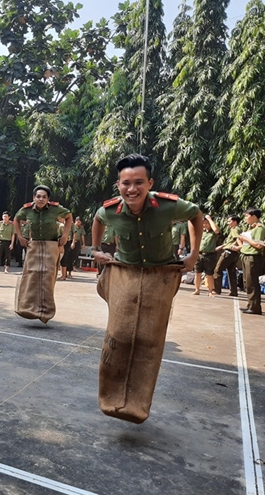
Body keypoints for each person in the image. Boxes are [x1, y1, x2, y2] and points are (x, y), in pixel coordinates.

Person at [91, 154, 203, 424]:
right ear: (118, 185)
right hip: (126, 275)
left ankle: (137, 406)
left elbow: (196, 214)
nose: (132, 189)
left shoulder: (168, 206)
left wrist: (194, 254)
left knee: (149, 341)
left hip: (159, 277)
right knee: (118, 335)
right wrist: (95, 249)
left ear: (150, 183)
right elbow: (97, 219)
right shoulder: (110, 210)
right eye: (126, 183)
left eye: (139, 182)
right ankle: (110, 399)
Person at [13, 186, 72, 323]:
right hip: (34, 245)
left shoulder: (55, 209)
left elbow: (69, 216)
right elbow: (16, 219)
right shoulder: (26, 210)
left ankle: (45, 311)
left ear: (48, 199)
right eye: (38, 196)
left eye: (44, 197)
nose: (41, 199)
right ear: (34, 197)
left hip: (51, 245)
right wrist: (20, 236)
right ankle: (27, 308)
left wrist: (65, 235)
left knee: (48, 277)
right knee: (31, 275)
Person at [238, 208, 265, 315]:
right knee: (247, 282)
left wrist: (245, 239)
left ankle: (255, 307)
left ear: (254, 216)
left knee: (252, 282)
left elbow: (259, 245)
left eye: (247, 216)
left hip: (253, 257)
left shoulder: (260, 228)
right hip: (246, 256)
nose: (245, 218)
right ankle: (250, 304)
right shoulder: (252, 227)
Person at [213, 215, 241, 297]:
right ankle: (233, 291)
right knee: (231, 272)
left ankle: (217, 290)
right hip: (234, 254)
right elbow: (231, 241)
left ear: (235, 222)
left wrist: (239, 246)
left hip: (229, 252)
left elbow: (237, 239)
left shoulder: (235, 229)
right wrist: (222, 246)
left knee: (217, 270)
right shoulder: (237, 229)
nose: (228, 223)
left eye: (229, 221)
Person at [193, 214, 220, 296]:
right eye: (203, 223)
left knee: (209, 274)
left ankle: (210, 291)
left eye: (206, 223)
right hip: (199, 254)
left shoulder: (213, 233)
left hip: (209, 256)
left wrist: (209, 219)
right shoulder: (202, 232)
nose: (205, 225)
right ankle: (197, 289)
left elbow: (216, 230)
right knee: (197, 273)